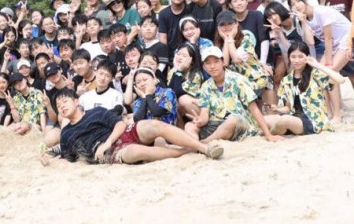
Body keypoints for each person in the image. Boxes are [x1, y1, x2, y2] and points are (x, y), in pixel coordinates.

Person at [43, 88, 222, 165]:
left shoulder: (95, 112)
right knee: (137, 152)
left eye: (65, 102)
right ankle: (186, 151)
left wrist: (108, 141)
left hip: (118, 135)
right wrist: (47, 157)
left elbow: (120, 123)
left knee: (153, 125)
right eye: (59, 106)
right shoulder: (66, 133)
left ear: (76, 101)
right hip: (110, 153)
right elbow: (65, 154)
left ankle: (203, 148)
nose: (62, 107)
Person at [185, 47, 281, 143]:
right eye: (208, 63)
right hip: (216, 124)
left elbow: (254, 108)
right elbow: (205, 113)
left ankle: (204, 143)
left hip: (239, 123)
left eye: (216, 61)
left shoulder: (238, 80)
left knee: (232, 120)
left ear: (223, 62)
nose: (212, 66)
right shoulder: (205, 86)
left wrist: (268, 135)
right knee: (189, 126)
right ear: (204, 66)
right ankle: (194, 145)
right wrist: (200, 120)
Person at [288, 0, 352, 122]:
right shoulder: (304, 19)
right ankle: (328, 113)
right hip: (334, 45)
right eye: (293, 5)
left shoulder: (321, 11)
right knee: (317, 75)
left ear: (305, 0)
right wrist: (304, 22)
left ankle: (337, 115)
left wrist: (328, 63)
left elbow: (328, 39)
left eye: (298, 1)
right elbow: (310, 41)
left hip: (347, 40)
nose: (297, 6)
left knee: (330, 73)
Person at [263, 41, 346, 135]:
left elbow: (340, 80)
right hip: (294, 118)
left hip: (313, 120)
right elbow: (288, 107)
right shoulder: (286, 80)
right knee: (263, 120)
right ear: (289, 58)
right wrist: (277, 109)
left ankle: (274, 133)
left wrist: (317, 65)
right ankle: (282, 129)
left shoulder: (315, 75)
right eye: (293, 57)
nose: (297, 60)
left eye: (300, 56)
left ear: (307, 57)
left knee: (285, 120)